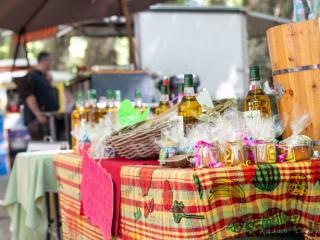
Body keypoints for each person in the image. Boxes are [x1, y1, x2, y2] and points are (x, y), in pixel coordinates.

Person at [17, 51, 59, 140]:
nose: (51, 64)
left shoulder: (42, 77)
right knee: (40, 145)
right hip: (37, 120)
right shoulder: (32, 76)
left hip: (47, 118)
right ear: (45, 61)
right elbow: (29, 97)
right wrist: (38, 114)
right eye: (50, 61)